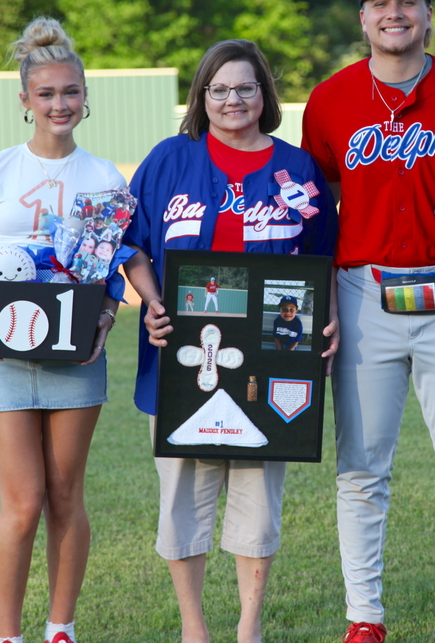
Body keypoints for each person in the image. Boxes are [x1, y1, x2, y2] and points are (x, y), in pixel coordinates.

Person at [301, 0, 435, 643]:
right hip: (361, 297)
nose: (395, 13)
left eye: (407, 1)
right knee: (360, 469)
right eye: (380, 3)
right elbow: (319, 207)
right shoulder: (329, 101)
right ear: (362, 17)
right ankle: (366, 620)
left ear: (428, 13)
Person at [122, 39, 338, 643]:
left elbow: (325, 257)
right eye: (218, 89)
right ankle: (194, 627)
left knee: (258, 498)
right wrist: (153, 301)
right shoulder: (170, 159)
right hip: (179, 357)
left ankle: (249, 624)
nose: (232, 100)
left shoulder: (296, 167)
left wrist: (330, 317)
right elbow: (131, 242)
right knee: (182, 496)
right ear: (201, 96)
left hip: (271, 358)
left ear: (265, 93)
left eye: (246, 87)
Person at [0, 17, 125, 643]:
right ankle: (7, 636)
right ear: (25, 100)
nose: (60, 104)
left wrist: (106, 318)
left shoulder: (105, 176)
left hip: (75, 354)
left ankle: (61, 628)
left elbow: (110, 275)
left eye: (71, 92)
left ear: (86, 96)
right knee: (23, 502)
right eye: (47, 94)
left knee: (65, 494)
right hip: (1, 352)